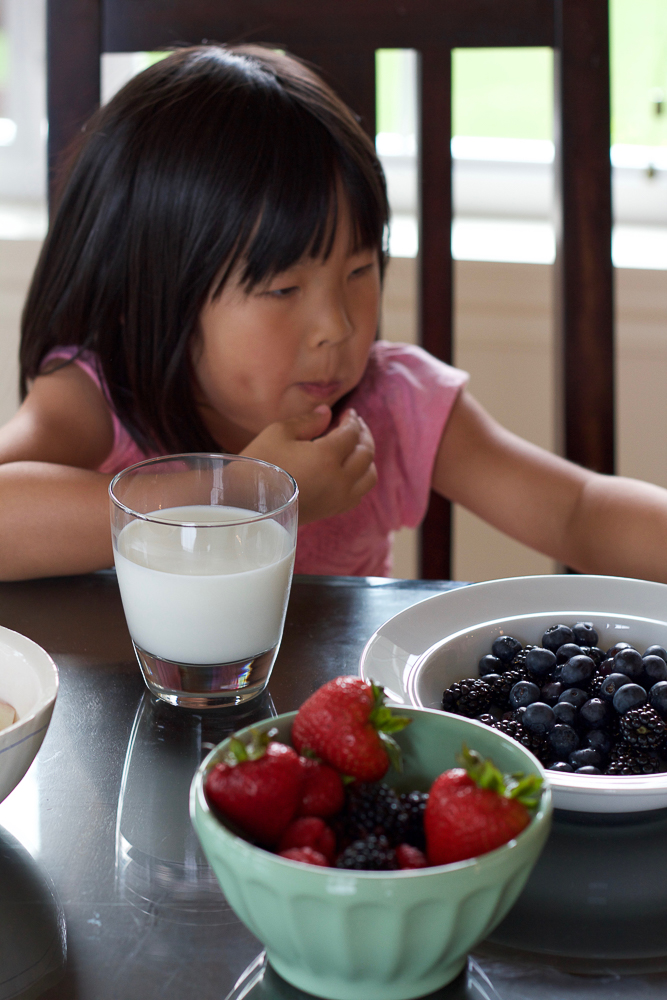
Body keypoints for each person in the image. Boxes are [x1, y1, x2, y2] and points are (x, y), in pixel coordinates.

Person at [2, 44, 667, 584]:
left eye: (358, 271)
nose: (338, 328)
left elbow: (577, 512)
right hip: (131, 712)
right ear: (149, 291)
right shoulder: (99, 399)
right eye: (283, 289)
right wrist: (235, 495)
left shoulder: (388, 404)